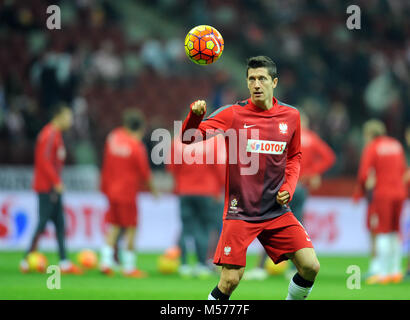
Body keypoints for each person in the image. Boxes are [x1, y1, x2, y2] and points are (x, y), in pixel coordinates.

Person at [181, 56, 320, 300]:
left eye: (262, 79)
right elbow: (188, 138)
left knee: (310, 266)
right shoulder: (233, 114)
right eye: (251, 79)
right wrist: (195, 117)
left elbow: (294, 156)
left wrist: (289, 185)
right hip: (240, 212)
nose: (256, 84)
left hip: (276, 210)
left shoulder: (291, 116)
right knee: (230, 280)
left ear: (274, 82)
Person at [243, 110, 335, 280]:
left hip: (284, 186)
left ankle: (261, 266)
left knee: (272, 223)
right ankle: (296, 267)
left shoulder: (285, 136)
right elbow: (329, 157)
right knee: (296, 225)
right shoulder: (312, 138)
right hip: (301, 187)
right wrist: (313, 173)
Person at [20, 103, 82, 274]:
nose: (70, 120)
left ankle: (64, 262)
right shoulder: (49, 134)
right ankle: (26, 260)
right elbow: (44, 161)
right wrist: (56, 182)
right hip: (47, 187)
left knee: (60, 224)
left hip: (51, 187)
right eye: (68, 116)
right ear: (58, 116)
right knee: (42, 223)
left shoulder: (55, 134)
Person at [99, 109, 156, 278]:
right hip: (127, 193)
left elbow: (106, 163)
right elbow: (145, 173)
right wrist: (154, 191)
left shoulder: (113, 137)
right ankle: (129, 267)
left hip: (110, 190)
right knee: (131, 228)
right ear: (141, 128)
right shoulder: (136, 146)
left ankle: (105, 262)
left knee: (114, 226)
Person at [353, 119, 407, 284]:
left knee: (382, 231)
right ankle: (396, 271)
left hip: (383, 194)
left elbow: (363, 174)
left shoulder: (373, 147)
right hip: (400, 192)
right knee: (395, 231)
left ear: (369, 134)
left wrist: (361, 191)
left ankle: (382, 274)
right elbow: (403, 170)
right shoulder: (396, 145)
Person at [166, 134, 225, 278]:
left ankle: (184, 265)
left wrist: (179, 184)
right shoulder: (212, 141)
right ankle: (201, 264)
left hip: (185, 190)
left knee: (186, 228)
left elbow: (172, 167)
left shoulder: (178, 142)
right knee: (204, 229)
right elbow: (219, 167)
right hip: (207, 191)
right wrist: (221, 188)